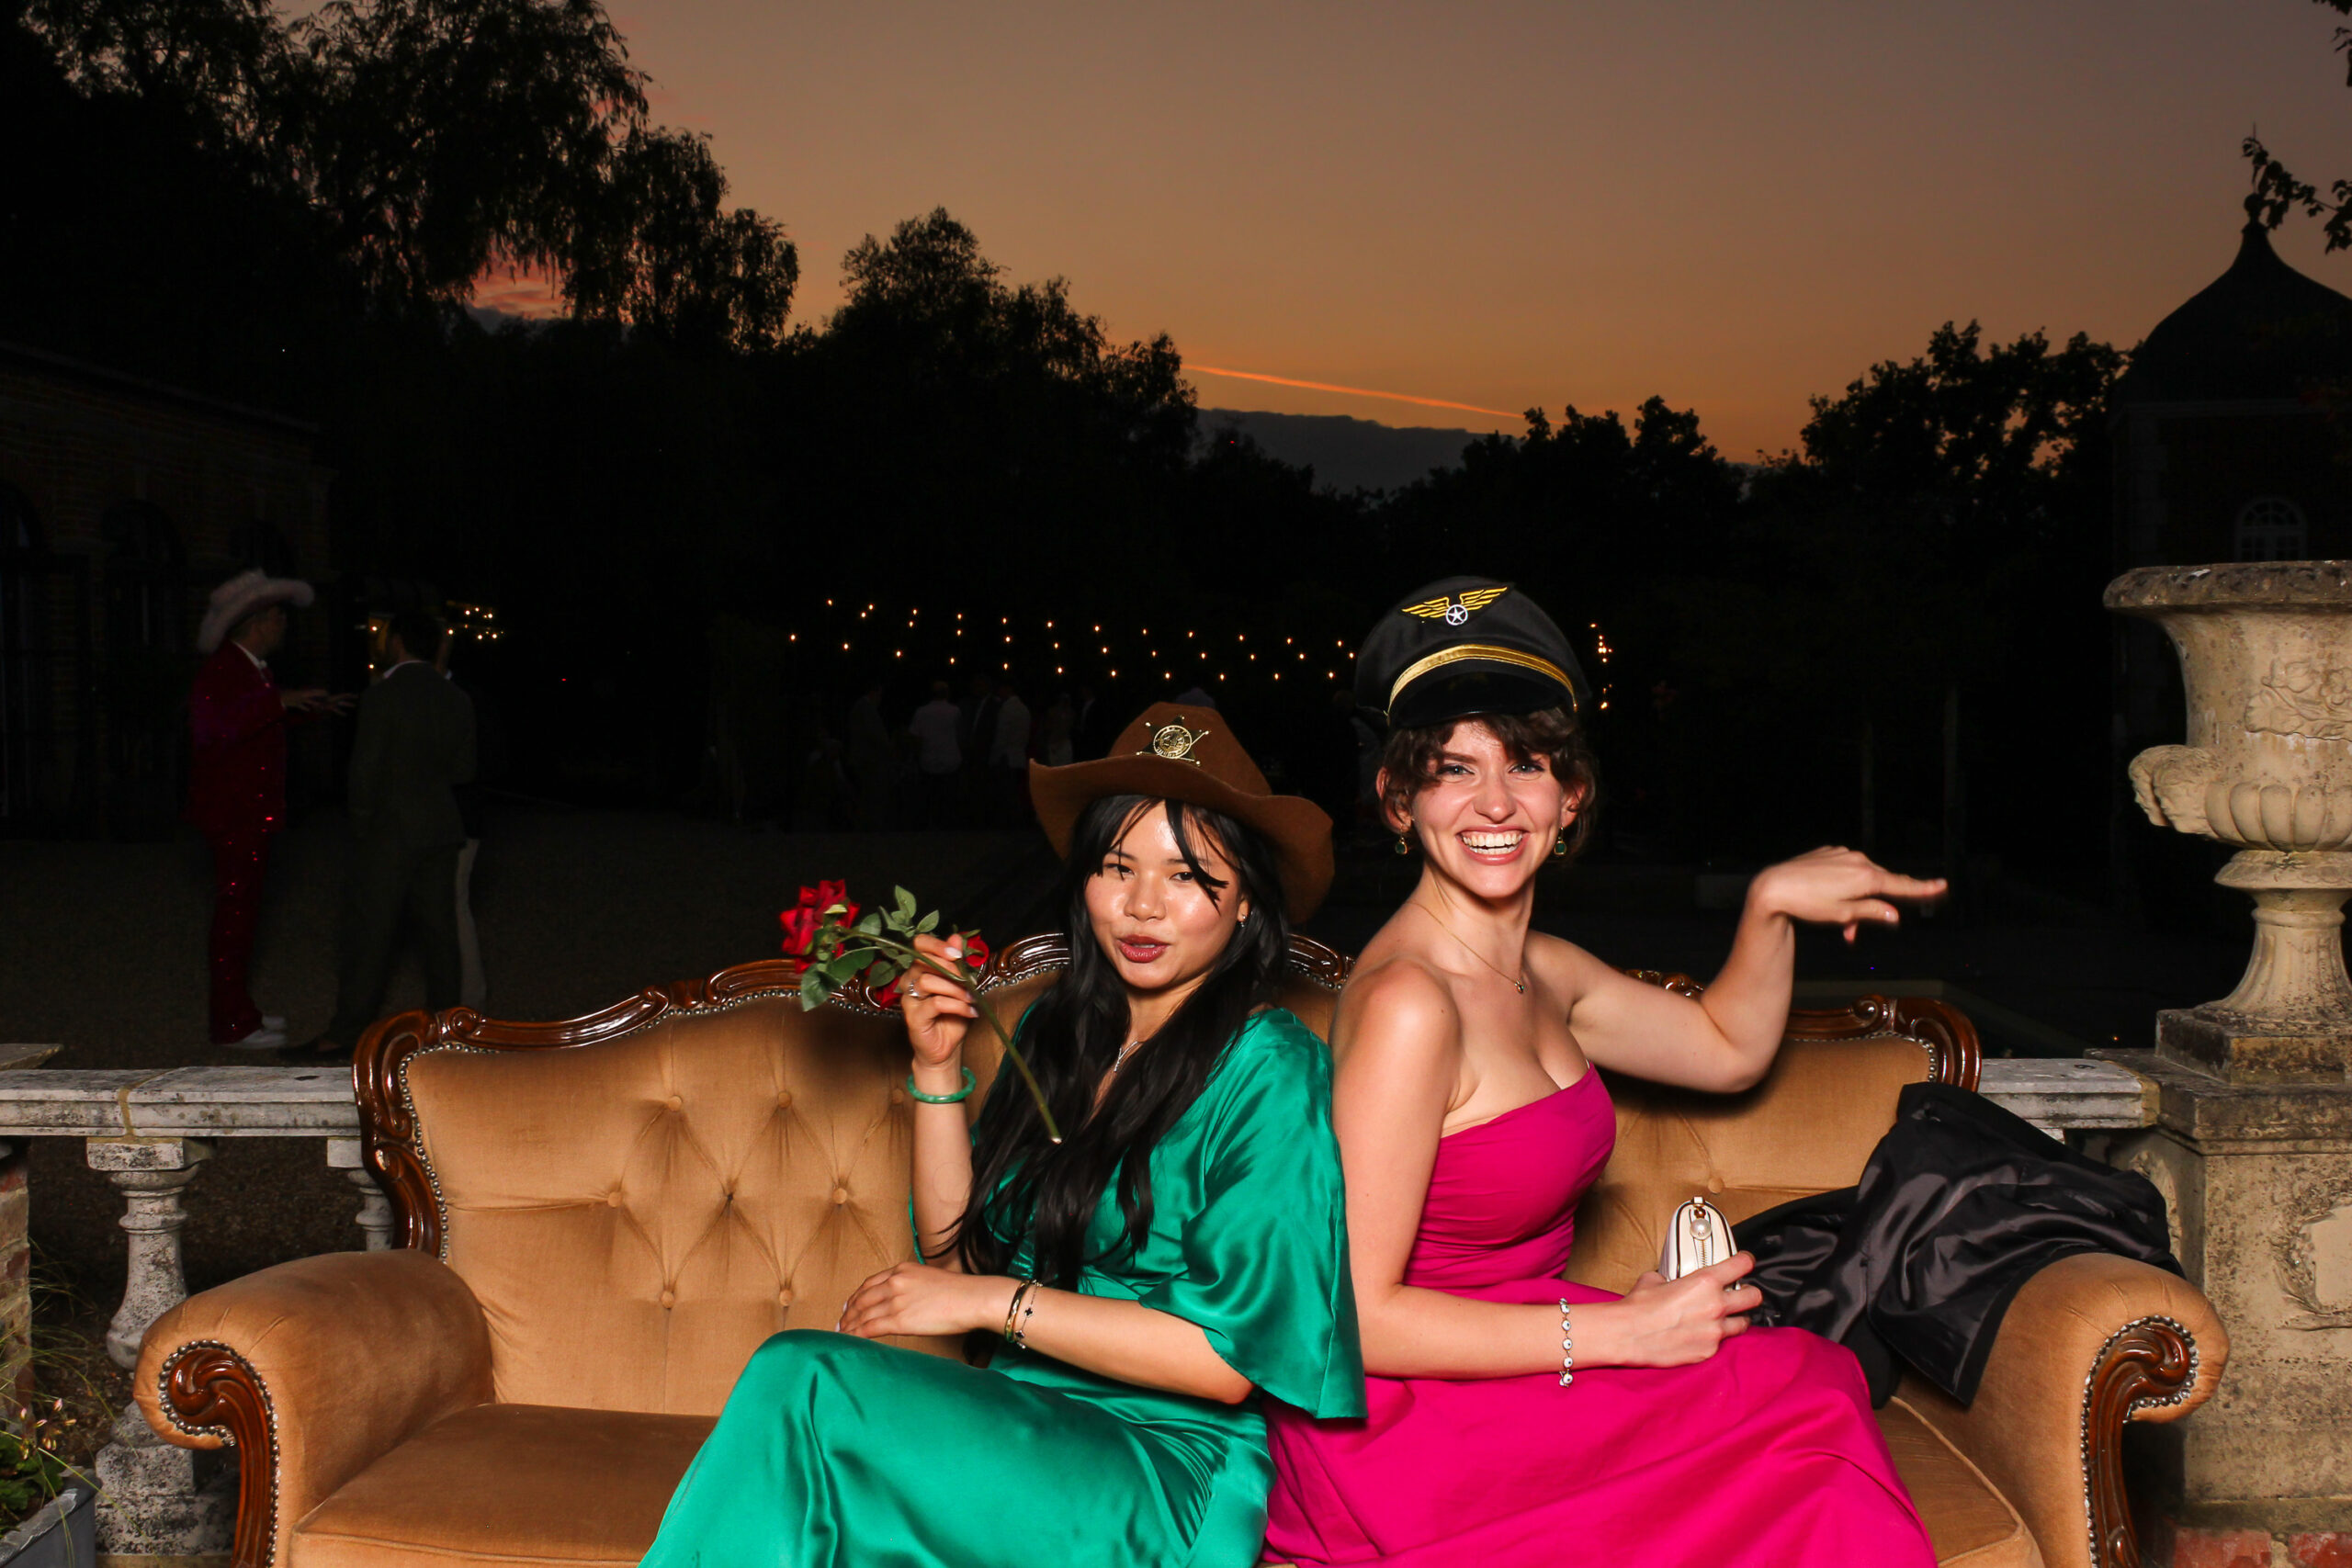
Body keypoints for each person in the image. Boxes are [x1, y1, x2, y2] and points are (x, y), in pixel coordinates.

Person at [1262, 578, 1944, 1568]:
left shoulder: (1546, 969)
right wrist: (1623, 1334)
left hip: (1524, 1356)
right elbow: (1353, 1318)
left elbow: (1725, 1048)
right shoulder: (1411, 1002)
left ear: (1570, 795)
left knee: (1810, 1381)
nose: (1495, 803)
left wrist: (1768, 905)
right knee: (1806, 1420)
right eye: (1453, 770)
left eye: (1525, 764)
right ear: (1399, 802)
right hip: (1405, 1420)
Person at [642, 703, 1363, 1568]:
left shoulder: (1271, 1066)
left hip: (1163, 1461)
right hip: (1021, 1422)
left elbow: (1226, 1359)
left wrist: (995, 1305)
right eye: (1117, 866)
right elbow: (957, 1256)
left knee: (804, 1378)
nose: (1141, 905)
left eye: (1186, 875)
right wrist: (938, 1066)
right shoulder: (1057, 1033)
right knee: (806, 1433)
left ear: (1245, 901)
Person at [291, 608, 476, 1062]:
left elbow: (364, 770)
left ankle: (346, 1031)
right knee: (440, 933)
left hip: (390, 830)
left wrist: (361, 824)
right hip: (439, 826)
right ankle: (446, 1029)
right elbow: (464, 769)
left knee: (370, 933)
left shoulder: (383, 696)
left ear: (396, 642)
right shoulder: (455, 697)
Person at [186, 570, 350, 1049]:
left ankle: (241, 1013)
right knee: (234, 918)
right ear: (257, 622)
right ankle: (231, 1024)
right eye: (278, 616)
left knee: (244, 916)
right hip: (234, 814)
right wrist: (278, 702)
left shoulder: (251, 668)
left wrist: (306, 709)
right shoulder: (225, 669)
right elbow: (211, 729)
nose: (284, 624)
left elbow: (254, 725)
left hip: (250, 812)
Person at [907, 678, 963, 828]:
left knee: (929, 798)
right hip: (951, 761)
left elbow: (915, 736)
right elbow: (960, 734)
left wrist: (917, 754)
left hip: (928, 761)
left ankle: (929, 825)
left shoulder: (921, 712)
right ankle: (947, 825)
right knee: (948, 798)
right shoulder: (955, 711)